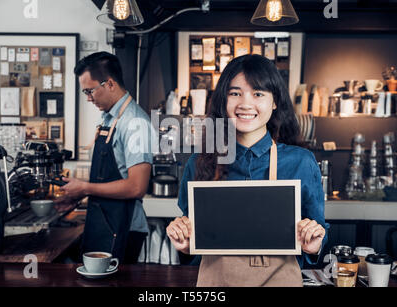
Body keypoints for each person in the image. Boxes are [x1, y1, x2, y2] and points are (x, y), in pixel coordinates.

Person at [166, 54, 329, 286]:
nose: (245, 103)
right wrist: (185, 243)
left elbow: (318, 229)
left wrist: (313, 245)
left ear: (274, 102)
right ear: (223, 100)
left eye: (258, 93)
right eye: (235, 93)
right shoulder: (198, 163)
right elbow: (193, 243)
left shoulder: (300, 162)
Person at [56, 51, 153, 263]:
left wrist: (85, 188)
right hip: (104, 220)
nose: (88, 99)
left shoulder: (135, 123)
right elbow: (107, 176)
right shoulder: (109, 118)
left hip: (122, 227)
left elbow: (137, 187)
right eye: (85, 93)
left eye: (90, 91)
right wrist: (78, 195)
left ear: (109, 83)